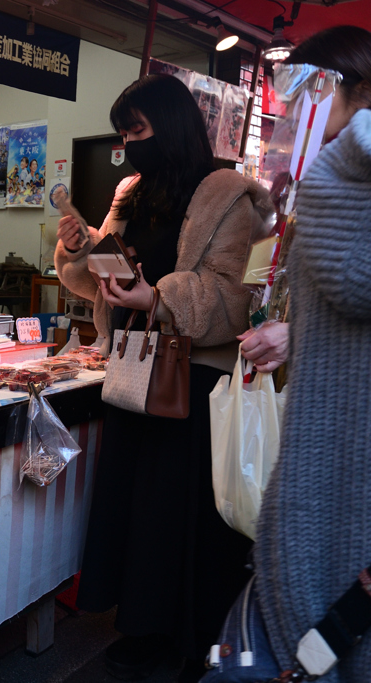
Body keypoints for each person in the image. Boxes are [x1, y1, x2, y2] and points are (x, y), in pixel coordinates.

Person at [54, 74, 271, 682]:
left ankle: (195, 639)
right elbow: (101, 280)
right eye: (123, 134)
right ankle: (144, 627)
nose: (129, 145)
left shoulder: (225, 194)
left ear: (170, 126)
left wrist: (158, 297)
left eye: (138, 131)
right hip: (131, 369)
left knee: (184, 513)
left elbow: (233, 297)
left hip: (193, 378)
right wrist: (80, 250)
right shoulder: (130, 194)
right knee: (135, 507)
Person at [254, 26, 371, 682]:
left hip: (334, 467)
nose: (293, 111)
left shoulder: (340, 174)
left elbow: (351, 278)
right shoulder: (338, 179)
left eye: (306, 91)